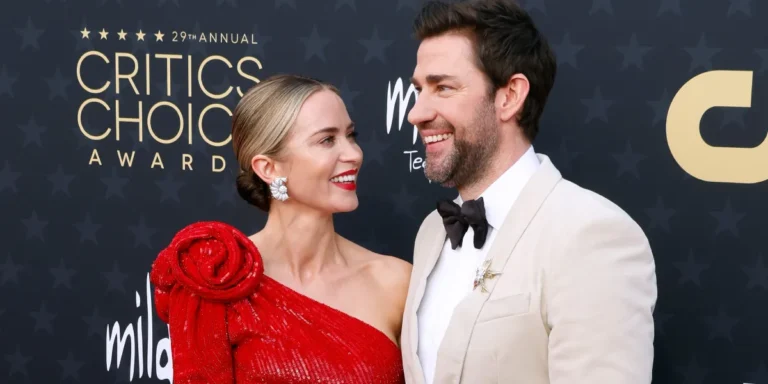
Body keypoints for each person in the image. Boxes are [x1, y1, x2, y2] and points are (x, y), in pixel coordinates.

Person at [399, 1, 658, 383]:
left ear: (510, 96)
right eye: (420, 89)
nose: (416, 113)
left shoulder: (592, 234)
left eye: (444, 88)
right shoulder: (432, 232)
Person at [149, 74, 411, 384]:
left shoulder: (394, 282)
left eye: (351, 135)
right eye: (327, 140)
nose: (354, 154)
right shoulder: (219, 278)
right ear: (269, 168)